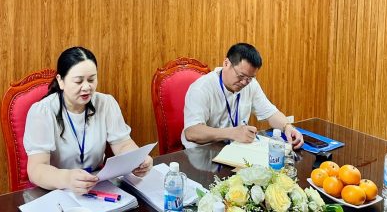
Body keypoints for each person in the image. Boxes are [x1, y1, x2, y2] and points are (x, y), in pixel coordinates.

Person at [24, 46, 153, 193]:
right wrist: (67, 178)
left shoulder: (106, 103)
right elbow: (36, 169)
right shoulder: (43, 111)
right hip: (56, 191)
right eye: (78, 81)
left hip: (96, 185)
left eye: (91, 79)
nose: (87, 87)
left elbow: (123, 144)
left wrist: (137, 160)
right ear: (61, 81)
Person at [182, 43, 304, 149]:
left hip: (234, 149)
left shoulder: (251, 84)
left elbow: (271, 113)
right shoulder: (201, 88)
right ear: (226, 63)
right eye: (241, 76)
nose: (244, 82)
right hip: (202, 153)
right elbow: (192, 132)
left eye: (250, 78)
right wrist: (231, 133)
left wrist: (288, 127)